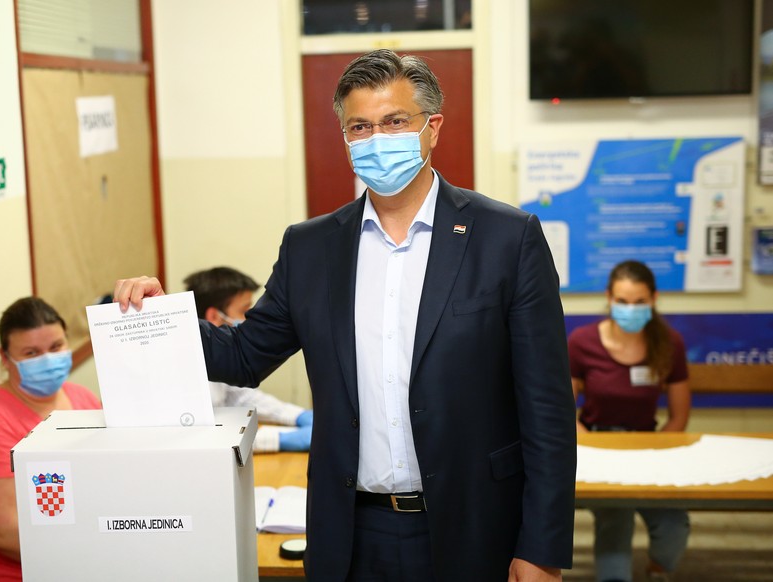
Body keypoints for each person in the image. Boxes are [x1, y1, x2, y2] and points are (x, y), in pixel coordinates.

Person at [115, 49, 576, 581]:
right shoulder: (312, 247)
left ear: (433, 128)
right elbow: (243, 355)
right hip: (353, 533)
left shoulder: (507, 238)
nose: (377, 139)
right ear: (346, 139)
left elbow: (547, 411)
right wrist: (160, 317)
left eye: (395, 121)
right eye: (360, 126)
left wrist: (542, 548)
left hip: (475, 526)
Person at [0, 297, 101, 581]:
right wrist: (101, 550)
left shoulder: (84, 399)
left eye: (56, 347)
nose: (47, 359)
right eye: (31, 353)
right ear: (5, 358)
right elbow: (3, 533)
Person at [568, 260, 691, 582]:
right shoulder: (582, 342)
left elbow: (679, 416)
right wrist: (593, 446)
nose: (630, 309)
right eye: (622, 301)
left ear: (653, 299)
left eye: (639, 302)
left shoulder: (669, 343)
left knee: (673, 523)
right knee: (616, 518)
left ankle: (659, 568)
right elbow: (564, 409)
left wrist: (654, 452)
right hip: (596, 448)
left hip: (648, 449)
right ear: (609, 298)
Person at [184, 266, 313, 452]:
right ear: (215, 316)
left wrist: (298, 415)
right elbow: (205, 439)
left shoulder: (221, 360)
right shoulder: (186, 365)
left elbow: (241, 396)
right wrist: (279, 439)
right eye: (246, 311)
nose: (251, 320)